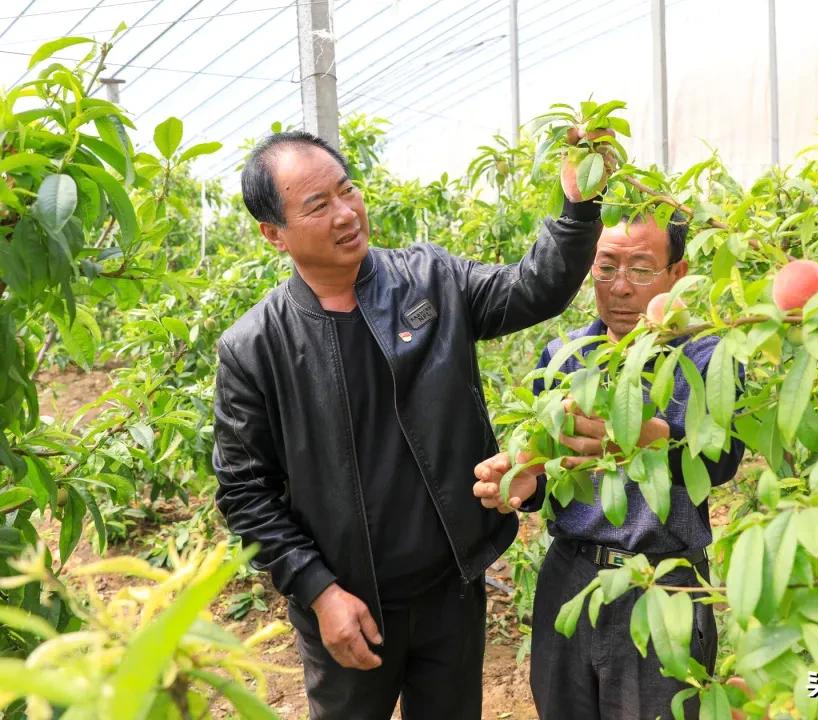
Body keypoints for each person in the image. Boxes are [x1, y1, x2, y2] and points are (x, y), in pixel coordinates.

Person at [212, 130, 603, 720]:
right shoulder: (255, 348)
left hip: (451, 588)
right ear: (274, 234)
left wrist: (578, 207)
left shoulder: (430, 279)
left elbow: (533, 289)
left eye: (347, 190)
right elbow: (245, 493)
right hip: (349, 607)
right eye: (318, 206)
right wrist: (319, 591)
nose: (346, 213)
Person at [473, 214, 745, 720]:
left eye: (641, 269)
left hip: (662, 581)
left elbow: (720, 460)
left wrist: (653, 440)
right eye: (605, 267)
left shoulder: (710, 357)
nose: (620, 287)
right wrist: (528, 483)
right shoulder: (564, 357)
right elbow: (554, 469)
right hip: (570, 576)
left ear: (677, 273)